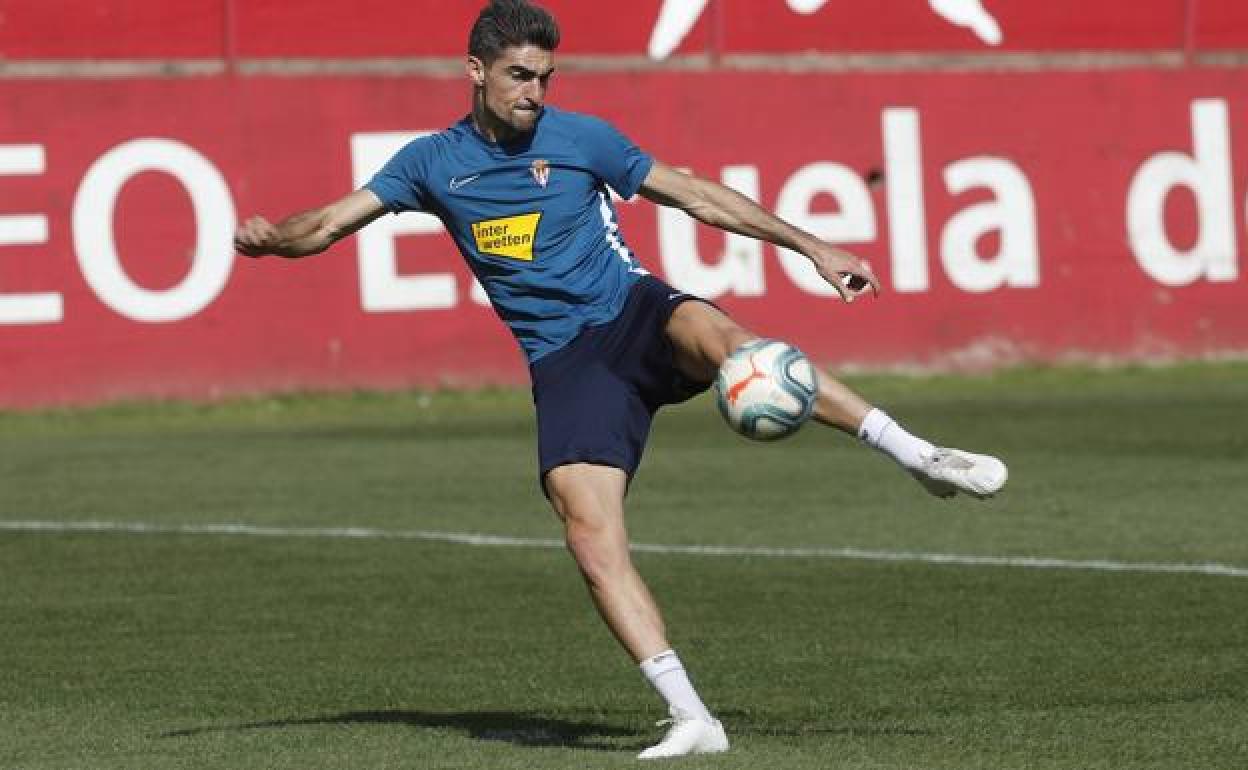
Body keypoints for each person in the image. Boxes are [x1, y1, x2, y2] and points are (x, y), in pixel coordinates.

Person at [234, 0, 1008, 759]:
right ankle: (693, 718)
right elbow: (330, 224)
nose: (535, 93)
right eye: (518, 76)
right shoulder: (430, 164)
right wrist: (274, 241)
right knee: (589, 535)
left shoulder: (581, 138)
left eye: (545, 76)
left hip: (635, 311)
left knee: (736, 346)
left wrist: (809, 244)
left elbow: (697, 193)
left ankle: (918, 455)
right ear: (475, 72)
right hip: (566, 365)